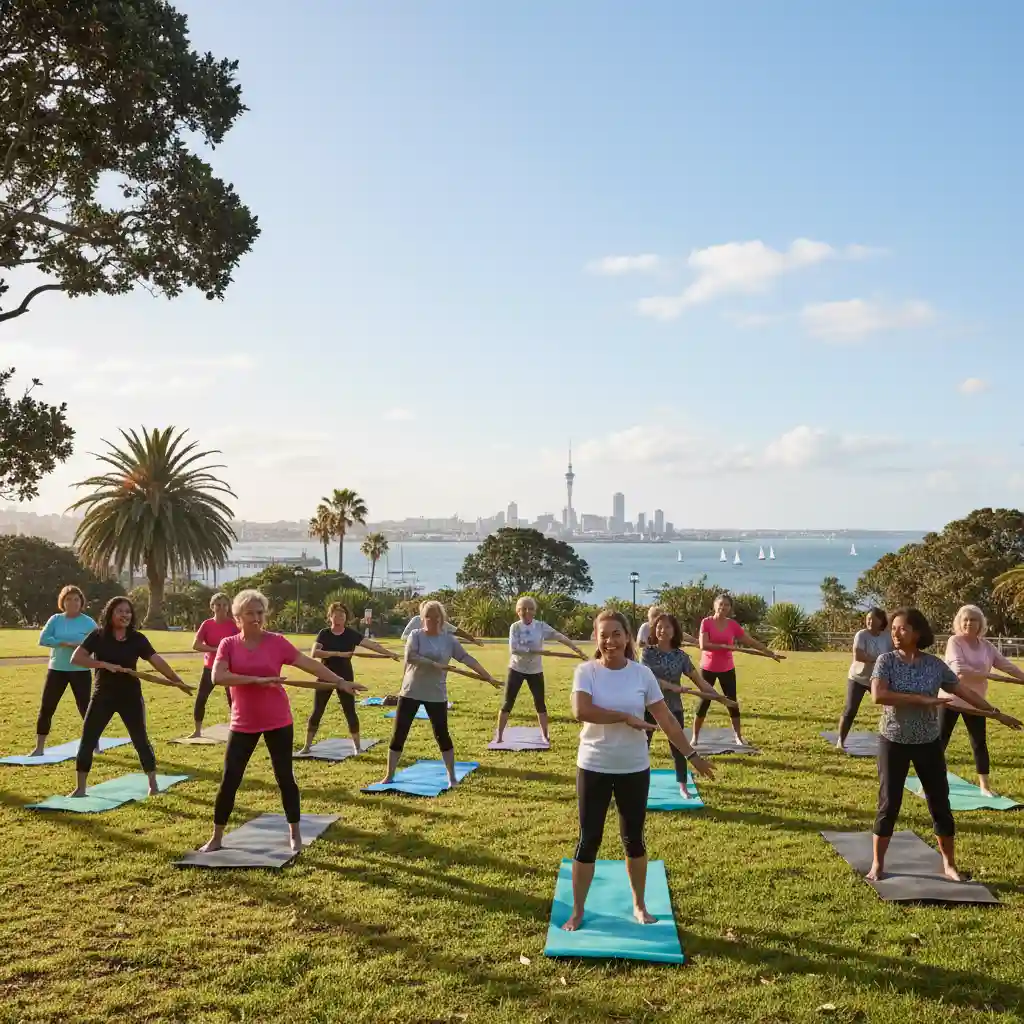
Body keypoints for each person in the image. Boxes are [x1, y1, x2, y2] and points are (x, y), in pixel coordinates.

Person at [562, 610, 714, 932]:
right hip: (594, 765)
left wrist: (691, 755)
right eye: (604, 635)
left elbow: (667, 719)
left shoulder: (641, 674)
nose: (610, 641)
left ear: (628, 637)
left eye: (617, 634)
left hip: (633, 767)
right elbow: (581, 710)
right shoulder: (585, 671)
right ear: (596, 638)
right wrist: (625, 717)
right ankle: (577, 911)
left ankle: (640, 905)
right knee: (589, 839)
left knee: (634, 839)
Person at [200, 589, 364, 855]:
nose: (256, 617)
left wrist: (340, 681)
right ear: (238, 617)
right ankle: (216, 836)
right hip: (243, 722)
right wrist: (255, 680)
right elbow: (218, 677)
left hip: (277, 719)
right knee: (230, 778)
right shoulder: (228, 644)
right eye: (250, 613)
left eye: (260, 612)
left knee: (285, 777)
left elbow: (309, 664)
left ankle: (295, 834)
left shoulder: (276, 642)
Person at [867, 607, 1021, 881]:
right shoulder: (886, 660)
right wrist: (922, 700)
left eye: (902, 628)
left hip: (928, 743)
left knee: (940, 803)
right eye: (893, 629)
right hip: (894, 740)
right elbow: (879, 696)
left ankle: (949, 864)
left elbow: (964, 692)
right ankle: (877, 865)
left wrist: (996, 714)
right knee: (889, 803)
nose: (896, 633)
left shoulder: (934, 665)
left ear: (917, 632)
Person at [69, 597, 190, 797]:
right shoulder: (98, 636)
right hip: (103, 696)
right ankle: (80, 788)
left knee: (140, 739)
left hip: (130, 697)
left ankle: (153, 785)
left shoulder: (137, 638)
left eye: (128, 612)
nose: (125, 615)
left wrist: (177, 681)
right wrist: (103, 665)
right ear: (110, 614)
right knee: (88, 739)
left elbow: (156, 660)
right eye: (120, 611)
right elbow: (77, 658)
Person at [381, 600, 499, 789]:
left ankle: (451, 777)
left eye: (437, 618)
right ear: (422, 619)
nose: (433, 621)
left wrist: (487, 676)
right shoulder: (416, 634)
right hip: (411, 691)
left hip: (436, 693)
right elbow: (411, 656)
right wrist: (435, 664)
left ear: (442, 620)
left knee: (442, 734)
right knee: (399, 734)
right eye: (429, 617)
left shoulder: (449, 640)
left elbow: (466, 658)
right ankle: (389, 775)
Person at [641, 612, 732, 797]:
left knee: (679, 747)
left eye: (667, 627)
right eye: (659, 626)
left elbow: (700, 681)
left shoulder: (681, 657)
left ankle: (682, 786)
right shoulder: (647, 653)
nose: (662, 630)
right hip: (648, 706)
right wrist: (672, 687)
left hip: (673, 707)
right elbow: (648, 678)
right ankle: (638, 783)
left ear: (674, 631)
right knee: (642, 746)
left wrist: (718, 697)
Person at [941, 604, 1024, 797]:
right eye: (966, 619)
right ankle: (927, 781)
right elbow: (959, 669)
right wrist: (993, 676)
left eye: (974, 619)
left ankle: (984, 787)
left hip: (976, 702)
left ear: (980, 623)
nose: (969, 623)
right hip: (951, 699)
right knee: (940, 742)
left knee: (979, 742)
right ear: (960, 623)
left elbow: (1006, 665)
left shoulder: (987, 646)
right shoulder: (955, 641)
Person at [299, 601, 400, 755]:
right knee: (317, 710)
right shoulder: (324, 633)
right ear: (330, 617)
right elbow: (315, 653)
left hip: (345, 676)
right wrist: (339, 654)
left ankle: (357, 747)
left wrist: (389, 653)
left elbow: (371, 645)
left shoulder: (350, 634)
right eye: (336, 614)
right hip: (324, 675)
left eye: (342, 614)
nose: (339, 617)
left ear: (346, 617)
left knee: (350, 710)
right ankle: (306, 747)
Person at [693, 594, 783, 746]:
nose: (723, 608)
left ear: (730, 608)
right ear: (715, 605)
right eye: (720, 604)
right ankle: (695, 737)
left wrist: (769, 653)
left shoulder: (732, 625)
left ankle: (738, 736)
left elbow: (750, 641)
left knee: (732, 702)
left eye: (726, 605)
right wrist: (724, 647)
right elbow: (703, 645)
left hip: (727, 668)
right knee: (704, 702)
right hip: (708, 668)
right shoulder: (706, 622)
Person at [496, 595, 585, 744]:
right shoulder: (515, 627)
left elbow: (559, 637)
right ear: (518, 611)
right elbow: (514, 649)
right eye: (523, 609)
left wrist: (577, 650)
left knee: (540, 703)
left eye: (530, 609)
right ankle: (499, 735)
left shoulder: (540, 626)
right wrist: (536, 651)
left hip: (535, 670)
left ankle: (545, 735)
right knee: (507, 703)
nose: (527, 611)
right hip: (516, 668)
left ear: (534, 611)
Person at [30, 585, 98, 756]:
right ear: (63, 602)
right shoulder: (55, 620)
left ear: (81, 602)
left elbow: (97, 644)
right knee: (47, 707)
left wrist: (81, 645)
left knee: (86, 709)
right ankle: (39, 748)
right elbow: (44, 639)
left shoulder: (88, 622)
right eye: (69, 599)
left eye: (76, 599)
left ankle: (95, 744)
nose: (73, 602)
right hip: (57, 669)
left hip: (80, 670)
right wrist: (65, 643)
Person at [835, 608, 893, 750]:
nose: (869, 621)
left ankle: (891, 741)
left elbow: (893, 655)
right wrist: (879, 661)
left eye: (873, 619)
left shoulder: (887, 637)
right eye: (868, 618)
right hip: (858, 678)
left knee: (891, 709)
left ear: (881, 621)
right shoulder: (861, 635)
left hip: (878, 679)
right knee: (850, 710)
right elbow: (858, 656)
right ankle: (840, 742)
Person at [188, 592, 239, 738]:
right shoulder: (207, 624)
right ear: (212, 607)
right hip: (210, 667)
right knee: (201, 698)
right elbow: (196, 645)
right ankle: (197, 731)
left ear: (228, 607)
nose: (221, 608)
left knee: (233, 699)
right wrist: (216, 649)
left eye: (224, 605)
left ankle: (235, 729)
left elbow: (242, 642)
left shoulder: (234, 624)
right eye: (218, 605)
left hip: (229, 667)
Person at [401, 612, 482, 646]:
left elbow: (456, 631)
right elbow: (404, 637)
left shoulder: (439, 622)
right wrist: (419, 638)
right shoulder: (416, 620)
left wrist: (473, 640)